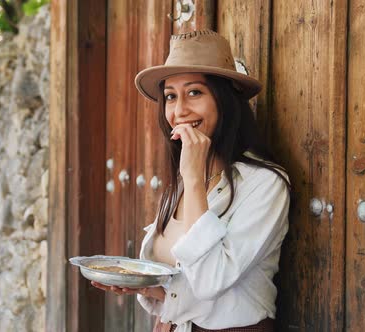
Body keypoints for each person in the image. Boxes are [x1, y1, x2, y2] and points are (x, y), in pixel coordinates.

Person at [92, 29, 291, 332]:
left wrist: (195, 179)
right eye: (171, 96)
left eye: (195, 92)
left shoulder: (264, 185)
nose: (180, 110)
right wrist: (145, 287)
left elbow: (212, 280)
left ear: (224, 101)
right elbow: (189, 286)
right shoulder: (183, 181)